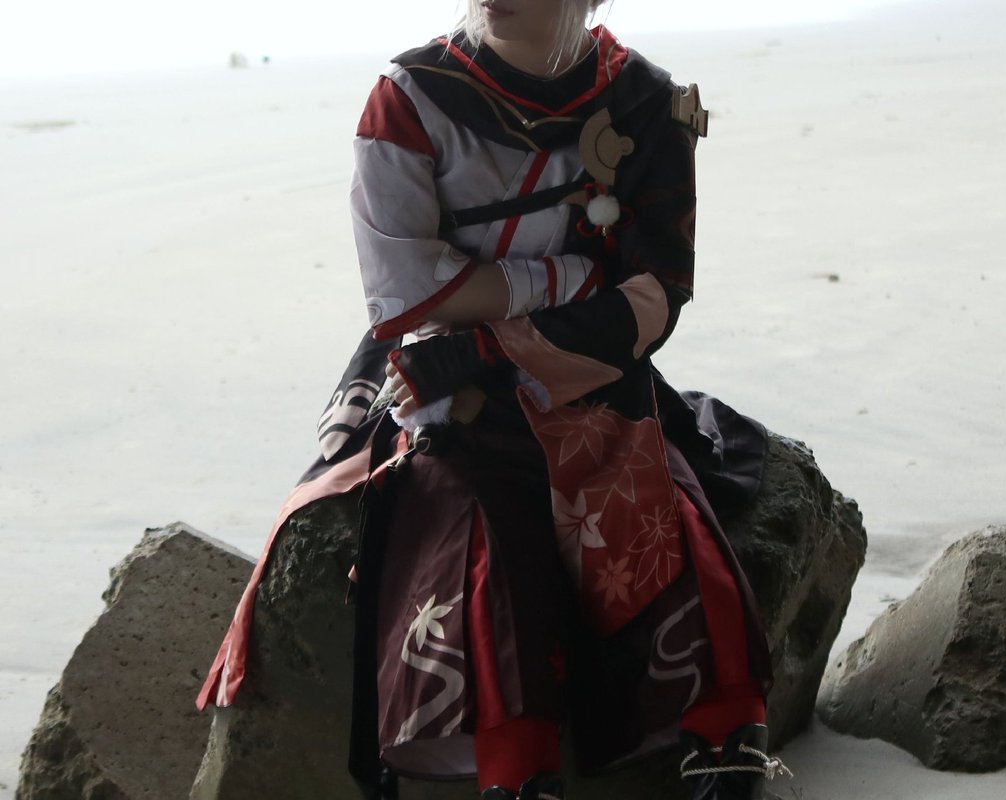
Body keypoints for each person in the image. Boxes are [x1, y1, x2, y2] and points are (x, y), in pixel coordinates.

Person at [197, 2, 790, 799]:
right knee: (476, 535)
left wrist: (482, 347)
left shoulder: (646, 99)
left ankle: (725, 742)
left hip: (584, 378)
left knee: (661, 517)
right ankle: (516, 771)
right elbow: (406, 292)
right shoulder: (408, 98)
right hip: (448, 393)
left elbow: (653, 304)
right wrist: (572, 278)